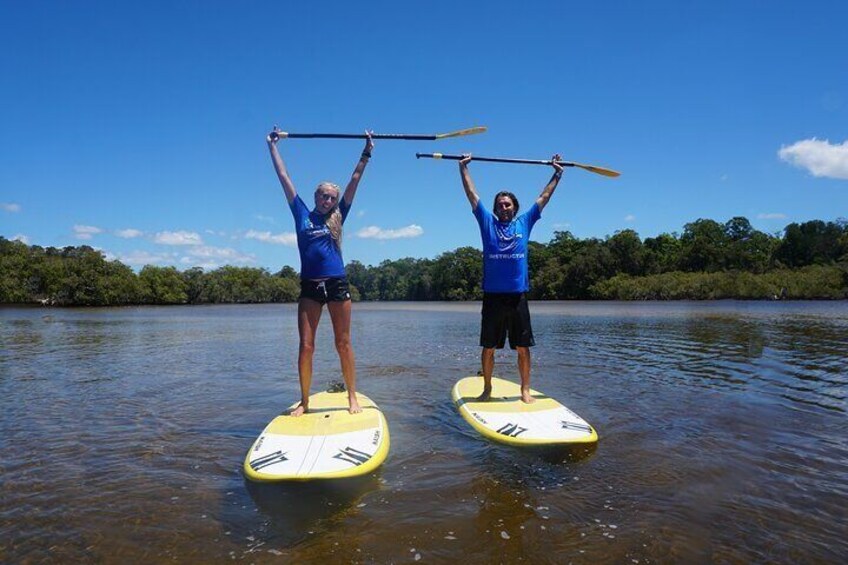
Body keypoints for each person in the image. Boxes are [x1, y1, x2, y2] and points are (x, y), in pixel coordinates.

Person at [266, 125, 374, 416]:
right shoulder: (301, 212)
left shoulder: (338, 216)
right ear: (316, 196)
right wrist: (273, 146)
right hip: (310, 287)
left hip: (337, 284)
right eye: (323, 196)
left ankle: (352, 397)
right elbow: (284, 177)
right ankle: (305, 401)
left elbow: (354, 180)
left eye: (331, 198)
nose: (327, 200)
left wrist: (366, 152)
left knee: (343, 343)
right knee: (306, 346)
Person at [458, 153, 564, 403]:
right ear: (495, 209)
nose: (503, 207)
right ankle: (487, 388)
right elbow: (473, 196)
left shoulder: (524, 223)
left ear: (514, 207)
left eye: (507, 204)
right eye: (500, 205)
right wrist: (463, 169)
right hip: (493, 298)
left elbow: (544, 198)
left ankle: (525, 390)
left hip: (517, 297)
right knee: (489, 347)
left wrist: (557, 174)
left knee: (523, 348)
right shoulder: (487, 223)